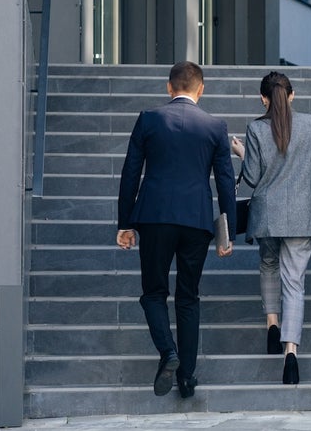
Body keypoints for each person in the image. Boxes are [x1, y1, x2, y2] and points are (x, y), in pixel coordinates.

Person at [116, 61, 236, 399]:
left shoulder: (149, 119)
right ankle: (186, 378)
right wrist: (227, 233)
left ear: (169, 88)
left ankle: (168, 351)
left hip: (154, 216)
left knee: (154, 292)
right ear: (201, 89)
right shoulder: (215, 126)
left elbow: (130, 173)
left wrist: (125, 223)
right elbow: (225, 182)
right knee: (188, 296)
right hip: (196, 220)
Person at [231, 71, 311, 385]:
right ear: (292, 96)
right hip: (303, 215)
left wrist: (242, 153)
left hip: (267, 215)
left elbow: (252, 178)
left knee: (268, 264)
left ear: (263, 99)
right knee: (294, 283)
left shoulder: (256, 129)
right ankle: (290, 352)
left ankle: (272, 324)